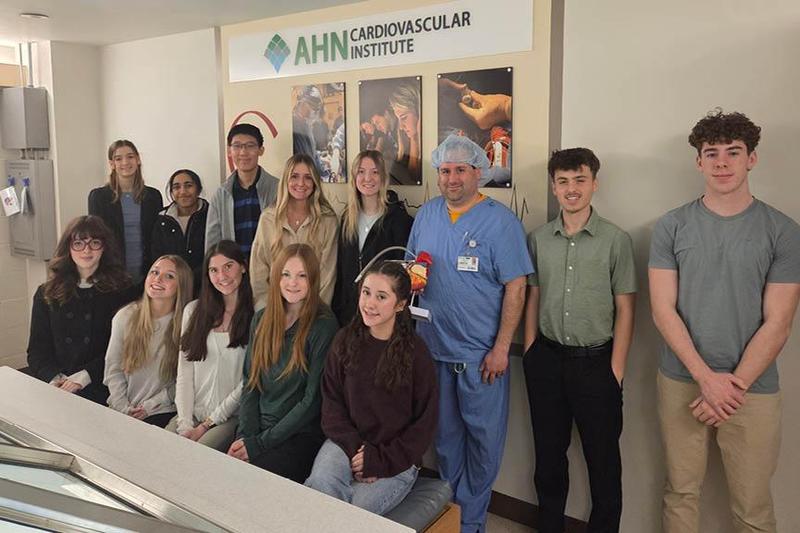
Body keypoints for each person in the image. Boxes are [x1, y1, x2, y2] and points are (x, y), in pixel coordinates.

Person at [649, 110, 800, 533]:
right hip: (682, 380)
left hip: (752, 390)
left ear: (751, 158)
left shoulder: (783, 232)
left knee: (752, 508)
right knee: (680, 493)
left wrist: (730, 386)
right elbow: (663, 310)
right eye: (710, 153)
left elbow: (779, 321)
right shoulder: (672, 226)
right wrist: (705, 378)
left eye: (733, 152)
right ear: (698, 161)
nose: (721, 163)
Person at [406, 135, 532, 533]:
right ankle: (452, 515)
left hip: (481, 359)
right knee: (444, 441)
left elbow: (517, 286)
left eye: (461, 170)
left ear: (479, 172)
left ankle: (471, 522)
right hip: (433, 350)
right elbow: (411, 268)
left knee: (482, 444)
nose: (452, 178)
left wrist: (501, 348)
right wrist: (415, 279)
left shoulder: (500, 222)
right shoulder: (426, 216)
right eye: (445, 170)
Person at [523, 148, 636, 533]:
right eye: (563, 181)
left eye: (580, 180)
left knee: (604, 464)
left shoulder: (615, 240)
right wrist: (530, 350)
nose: (572, 189)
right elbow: (533, 296)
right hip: (547, 362)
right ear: (554, 187)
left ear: (594, 183)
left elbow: (626, 308)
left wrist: (616, 370)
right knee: (548, 461)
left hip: (597, 365)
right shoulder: (538, 239)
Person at [305, 261, 438, 515]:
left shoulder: (417, 355)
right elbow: (331, 404)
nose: (370, 303)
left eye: (381, 296)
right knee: (320, 489)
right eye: (366, 292)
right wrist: (358, 451)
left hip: (397, 456)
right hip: (346, 443)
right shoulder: (344, 340)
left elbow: (424, 426)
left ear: (400, 304)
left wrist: (378, 460)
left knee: (355, 512)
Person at [228, 243, 338, 483]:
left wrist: (258, 444)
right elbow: (250, 383)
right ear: (276, 277)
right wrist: (246, 436)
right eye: (286, 274)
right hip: (259, 429)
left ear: (313, 280)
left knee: (250, 481)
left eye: (302, 276)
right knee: (223, 472)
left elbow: (311, 402)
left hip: (299, 436)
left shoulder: (323, 326)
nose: (293, 283)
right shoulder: (261, 319)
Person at [26, 215, 135, 405]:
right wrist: (55, 378)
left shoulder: (122, 290)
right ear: (68, 247)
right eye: (78, 243)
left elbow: (125, 349)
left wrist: (85, 376)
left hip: (104, 385)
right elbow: (37, 351)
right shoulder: (46, 293)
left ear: (104, 247)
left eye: (94, 242)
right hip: (56, 387)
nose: (86, 250)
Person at [166, 241, 254, 451]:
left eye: (228, 266)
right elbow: (185, 373)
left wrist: (205, 425)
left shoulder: (257, 314)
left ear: (243, 266)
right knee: (163, 448)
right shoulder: (193, 311)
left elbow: (248, 382)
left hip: (228, 418)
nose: (222, 276)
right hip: (191, 413)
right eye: (214, 270)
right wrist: (185, 424)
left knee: (197, 455)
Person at [104, 255, 193, 427]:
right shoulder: (125, 316)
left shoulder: (186, 324)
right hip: (121, 409)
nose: (158, 279)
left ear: (181, 285)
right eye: (154, 272)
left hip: (162, 411)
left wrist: (148, 407)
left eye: (169, 276)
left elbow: (185, 380)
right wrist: (123, 408)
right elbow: (113, 369)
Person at [331, 150, 413, 325]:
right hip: (351, 315)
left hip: (384, 317)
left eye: (375, 172)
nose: (367, 178)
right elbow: (342, 270)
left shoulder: (398, 220)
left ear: (383, 177)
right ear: (354, 177)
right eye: (361, 171)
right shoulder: (348, 218)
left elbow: (403, 275)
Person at [249, 154, 338, 307]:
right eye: (294, 176)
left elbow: (327, 275)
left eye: (308, 177)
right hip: (274, 309)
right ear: (285, 180)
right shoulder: (268, 219)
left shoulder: (328, 220)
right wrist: (267, 310)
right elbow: (259, 270)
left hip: (313, 311)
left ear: (315, 182)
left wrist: (314, 314)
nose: (301, 183)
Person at [88, 139, 163, 282]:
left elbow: (157, 237)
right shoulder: (98, 197)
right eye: (118, 158)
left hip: (148, 273)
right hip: (112, 274)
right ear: (112, 164)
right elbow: (95, 239)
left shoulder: (153, 196)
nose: (125, 162)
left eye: (130, 156)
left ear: (138, 160)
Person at [205, 123, 279, 259]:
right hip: (233, 273)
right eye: (237, 146)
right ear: (229, 151)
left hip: (270, 269)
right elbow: (212, 243)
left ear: (261, 150)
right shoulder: (221, 195)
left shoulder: (278, 189)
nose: (243, 152)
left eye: (250, 146)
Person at [151, 169, 208, 296]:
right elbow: (157, 257)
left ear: (198, 189)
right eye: (176, 187)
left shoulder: (210, 215)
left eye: (188, 186)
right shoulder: (162, 220)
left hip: (204, 288)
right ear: (171, 192)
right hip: (170, 289)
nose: (183, 192)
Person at [388, 83, 421, 185]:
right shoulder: (405, 143)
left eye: (404, 118)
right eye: (399, 119)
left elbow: (414, 178)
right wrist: (413, 139)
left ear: (419, 112)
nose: (401, 127)